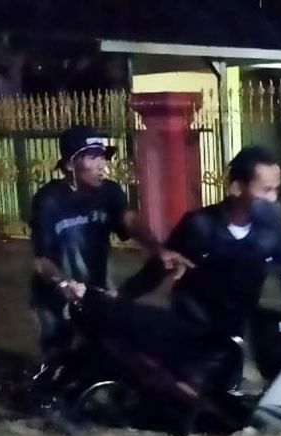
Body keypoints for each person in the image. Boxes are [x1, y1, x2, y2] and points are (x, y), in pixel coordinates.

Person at [29, 125, 193, 406]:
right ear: (70, 164)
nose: (102, 164)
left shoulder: (110, 193)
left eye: (103, 156)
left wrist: (158, 249)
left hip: (97, 290)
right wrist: (63, 284)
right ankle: (42, 402)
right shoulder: (49, 200)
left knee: (108, 347)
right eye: (92, 157)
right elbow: (41, 260)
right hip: (56, 293)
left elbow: (129, 220)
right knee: (58, 357)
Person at [119, 145, 281, 394]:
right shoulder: (199, 225)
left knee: (229, 404)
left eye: (276, 189)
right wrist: (120, 298)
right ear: (237, 187)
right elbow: (157, 269)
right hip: (195, 333)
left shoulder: (272, 230)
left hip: (235, 335)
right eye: (266, 190)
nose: (273, 199)